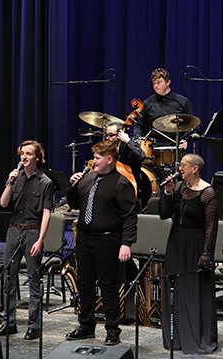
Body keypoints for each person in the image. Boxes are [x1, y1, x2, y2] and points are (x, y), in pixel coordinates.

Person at [65, 140, 138, 346]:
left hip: (109, 240)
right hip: (85, 239)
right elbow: (73, 203)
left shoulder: (121, 183)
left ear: (109, 159)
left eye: (97, 157)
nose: (93, 161)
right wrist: (73, 186)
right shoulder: (88, 178)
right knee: (85, 284)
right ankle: (86, 326)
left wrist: (127, 243)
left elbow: (130, 216)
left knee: (108, 285)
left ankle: (112, 329)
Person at [159, 154, 219, 354]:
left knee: (193, 290)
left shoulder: (208, 192)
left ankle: (196, 336)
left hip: (195, 244)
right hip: (176, 242)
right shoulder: (177, 188)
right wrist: (166, 194)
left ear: (195, 168)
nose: (179, 168)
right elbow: (164, 214)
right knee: (175, 287)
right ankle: (175, 337)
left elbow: (211, 226)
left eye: (183, 165)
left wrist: (206, 252)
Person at [0, 140, 54, 339]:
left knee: (33, 280)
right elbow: (3, 203)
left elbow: (46, 213)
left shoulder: (45, 182)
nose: (24, 157)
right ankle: (8, 323)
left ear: (38, 157)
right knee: (8, 278)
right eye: (22, 154)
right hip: (14, 230)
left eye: (29, 154)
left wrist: (41, 239)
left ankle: (33, 325)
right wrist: (9, 183)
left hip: (32, 232)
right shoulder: (15, 177)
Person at [132, 68, 193, 147]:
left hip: (175, 145)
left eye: (159, 82)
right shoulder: (147, 103)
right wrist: (138, 140)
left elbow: (190, 124)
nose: (156, 86)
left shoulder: (182, 102)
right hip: (152, 146)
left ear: (168, 82)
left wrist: (185, 140)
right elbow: (139, 125)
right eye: (154, 83)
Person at [105, 122, 150, 207]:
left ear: (120, 135)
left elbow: (141, 156)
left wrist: (127, 141)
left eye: (111, 135)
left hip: (130, 193)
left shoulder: (129, 146)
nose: (108, 138)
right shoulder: (109, 149)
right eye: (107, 135)